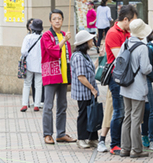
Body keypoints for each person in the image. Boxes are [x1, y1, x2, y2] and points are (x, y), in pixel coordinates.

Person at [105, 4, 138, 154]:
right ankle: (114, 144)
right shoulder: (113, 33)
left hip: (126, 77)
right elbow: (120, 58)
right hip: (116, 77)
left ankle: (124, 142)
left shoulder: (127, 32)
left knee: (125, 111)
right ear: (126, 20)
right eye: (133, 21)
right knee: (119, 111)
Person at [41, 9, 76, 144]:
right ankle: (47, 134)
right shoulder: (47, 36)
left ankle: (61, 133)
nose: (57, 21)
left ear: (62, 20)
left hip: (63, 75)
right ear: (50, 21)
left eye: (59, 19)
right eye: (54, 19)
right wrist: (64, 41)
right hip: (51, 74)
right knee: (48, 105)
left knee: (62, 105)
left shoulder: (64, 36)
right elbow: (53, 51)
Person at [118, 19, 152, 158]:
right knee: (136, 118)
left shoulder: (125, 43)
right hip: (137, 87)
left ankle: (125, 148)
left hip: (125, 85)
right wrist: (152, 67)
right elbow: (145, 69)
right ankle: (136, 150)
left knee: (127, 117)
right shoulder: (142, 47)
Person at [71, 30, 100, 149]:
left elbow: (91, 69)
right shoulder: (78, 56)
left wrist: (100, 58)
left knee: (92, 114)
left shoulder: (84, 55)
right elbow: (81, 76)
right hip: (83, 92)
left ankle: (93, 138)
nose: (92, 42)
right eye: (90, 40)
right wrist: (92, 89)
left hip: (89, 92)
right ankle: (81, 139)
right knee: (83, 115)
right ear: (84, 42)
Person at [20, 19, 43, 112]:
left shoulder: (28, 38)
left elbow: (23, 51)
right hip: (40, 64)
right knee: (38, 85)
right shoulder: (43, 37)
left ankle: (24, 104)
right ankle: (37, 104)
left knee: (27, 84)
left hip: (29, 64)